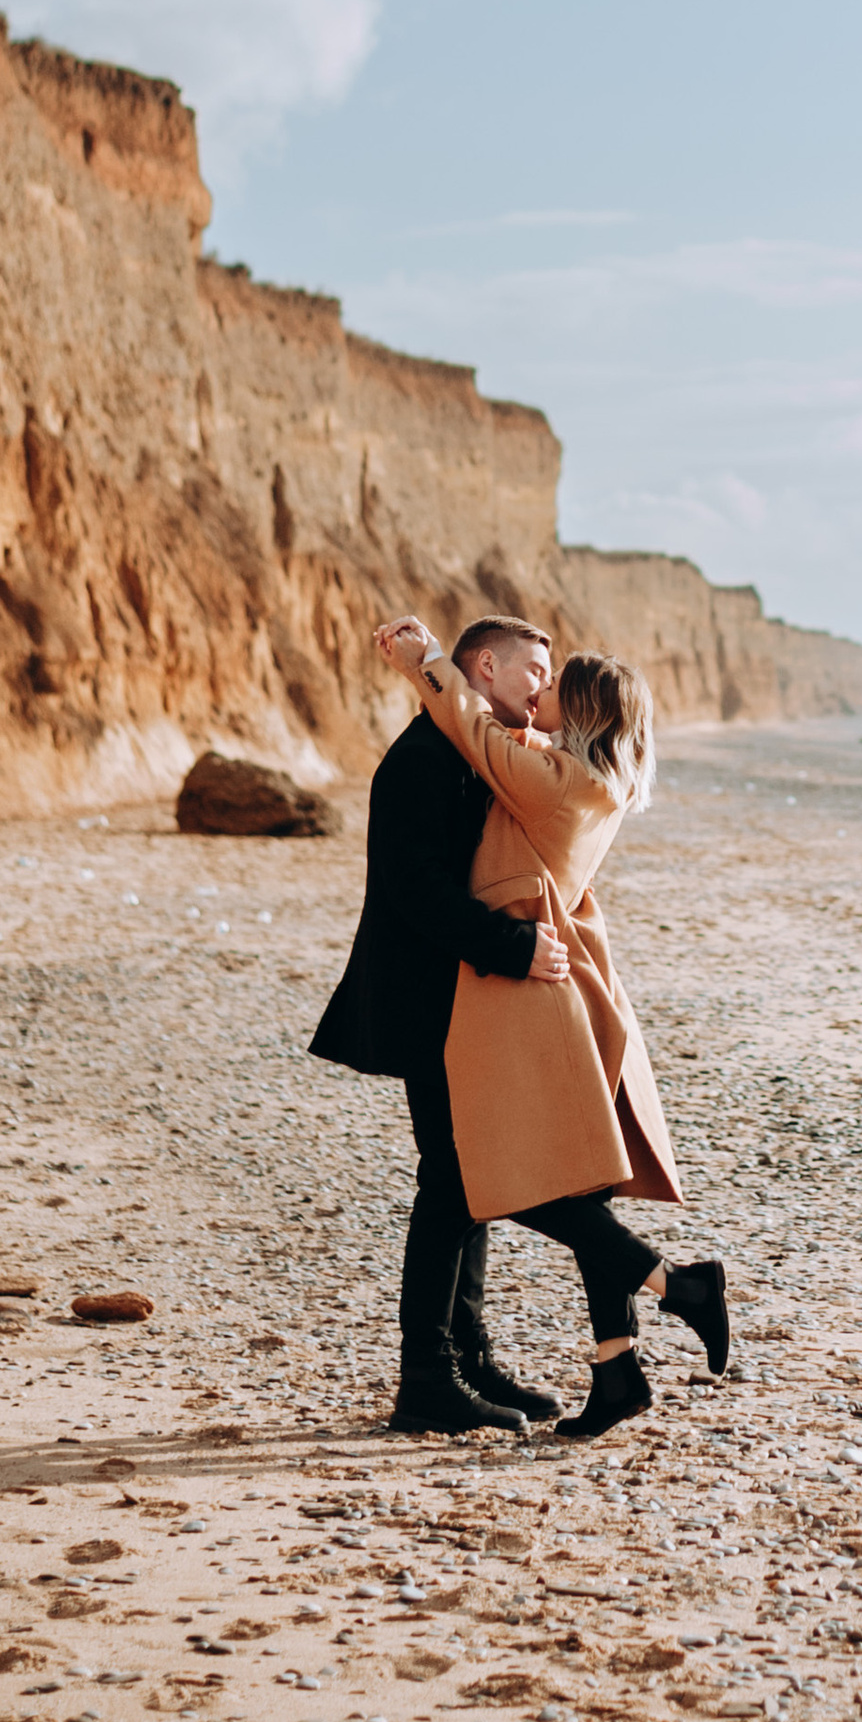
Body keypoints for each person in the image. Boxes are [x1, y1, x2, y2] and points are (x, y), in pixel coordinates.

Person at [373, 610, 730, 1444]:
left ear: (584, 712)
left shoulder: (557, 780)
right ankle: (616, 1368)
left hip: (523, 992)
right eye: (531, 674)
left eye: (553, 684)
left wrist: (423, 659)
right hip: (546, 986)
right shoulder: (584, 774)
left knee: (503, 1181)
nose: (540, 692)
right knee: (562, 1180)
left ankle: (679, 1289)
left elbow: (470, 724)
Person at [309, 613, 575, 1435]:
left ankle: (467, 1359)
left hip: (457, 997)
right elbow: (419, 895)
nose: (544, 683)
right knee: (454, 1181)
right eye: (535, 667)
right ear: (484, 666)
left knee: (467, 1177)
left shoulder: (472, 750)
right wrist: (515, 944)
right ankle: (427, 1375)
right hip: (422, 998)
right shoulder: (421, 759)